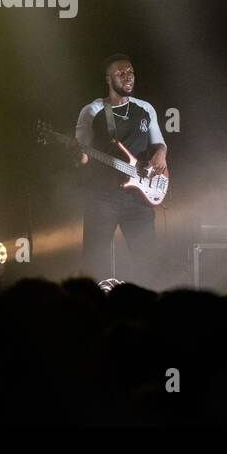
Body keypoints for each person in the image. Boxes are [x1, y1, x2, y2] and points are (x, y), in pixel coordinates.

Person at [74, 54, 168, 285]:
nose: (128, 77)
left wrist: (161, 153)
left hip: (139, 197)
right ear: (108, 79)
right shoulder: (92, 111)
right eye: (121, 73)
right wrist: (79, 157)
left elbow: (160, 143)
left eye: (131, 72)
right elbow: (81, 151)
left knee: (147, 263)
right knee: (94, 264)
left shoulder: (145, 109)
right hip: (103, 197)